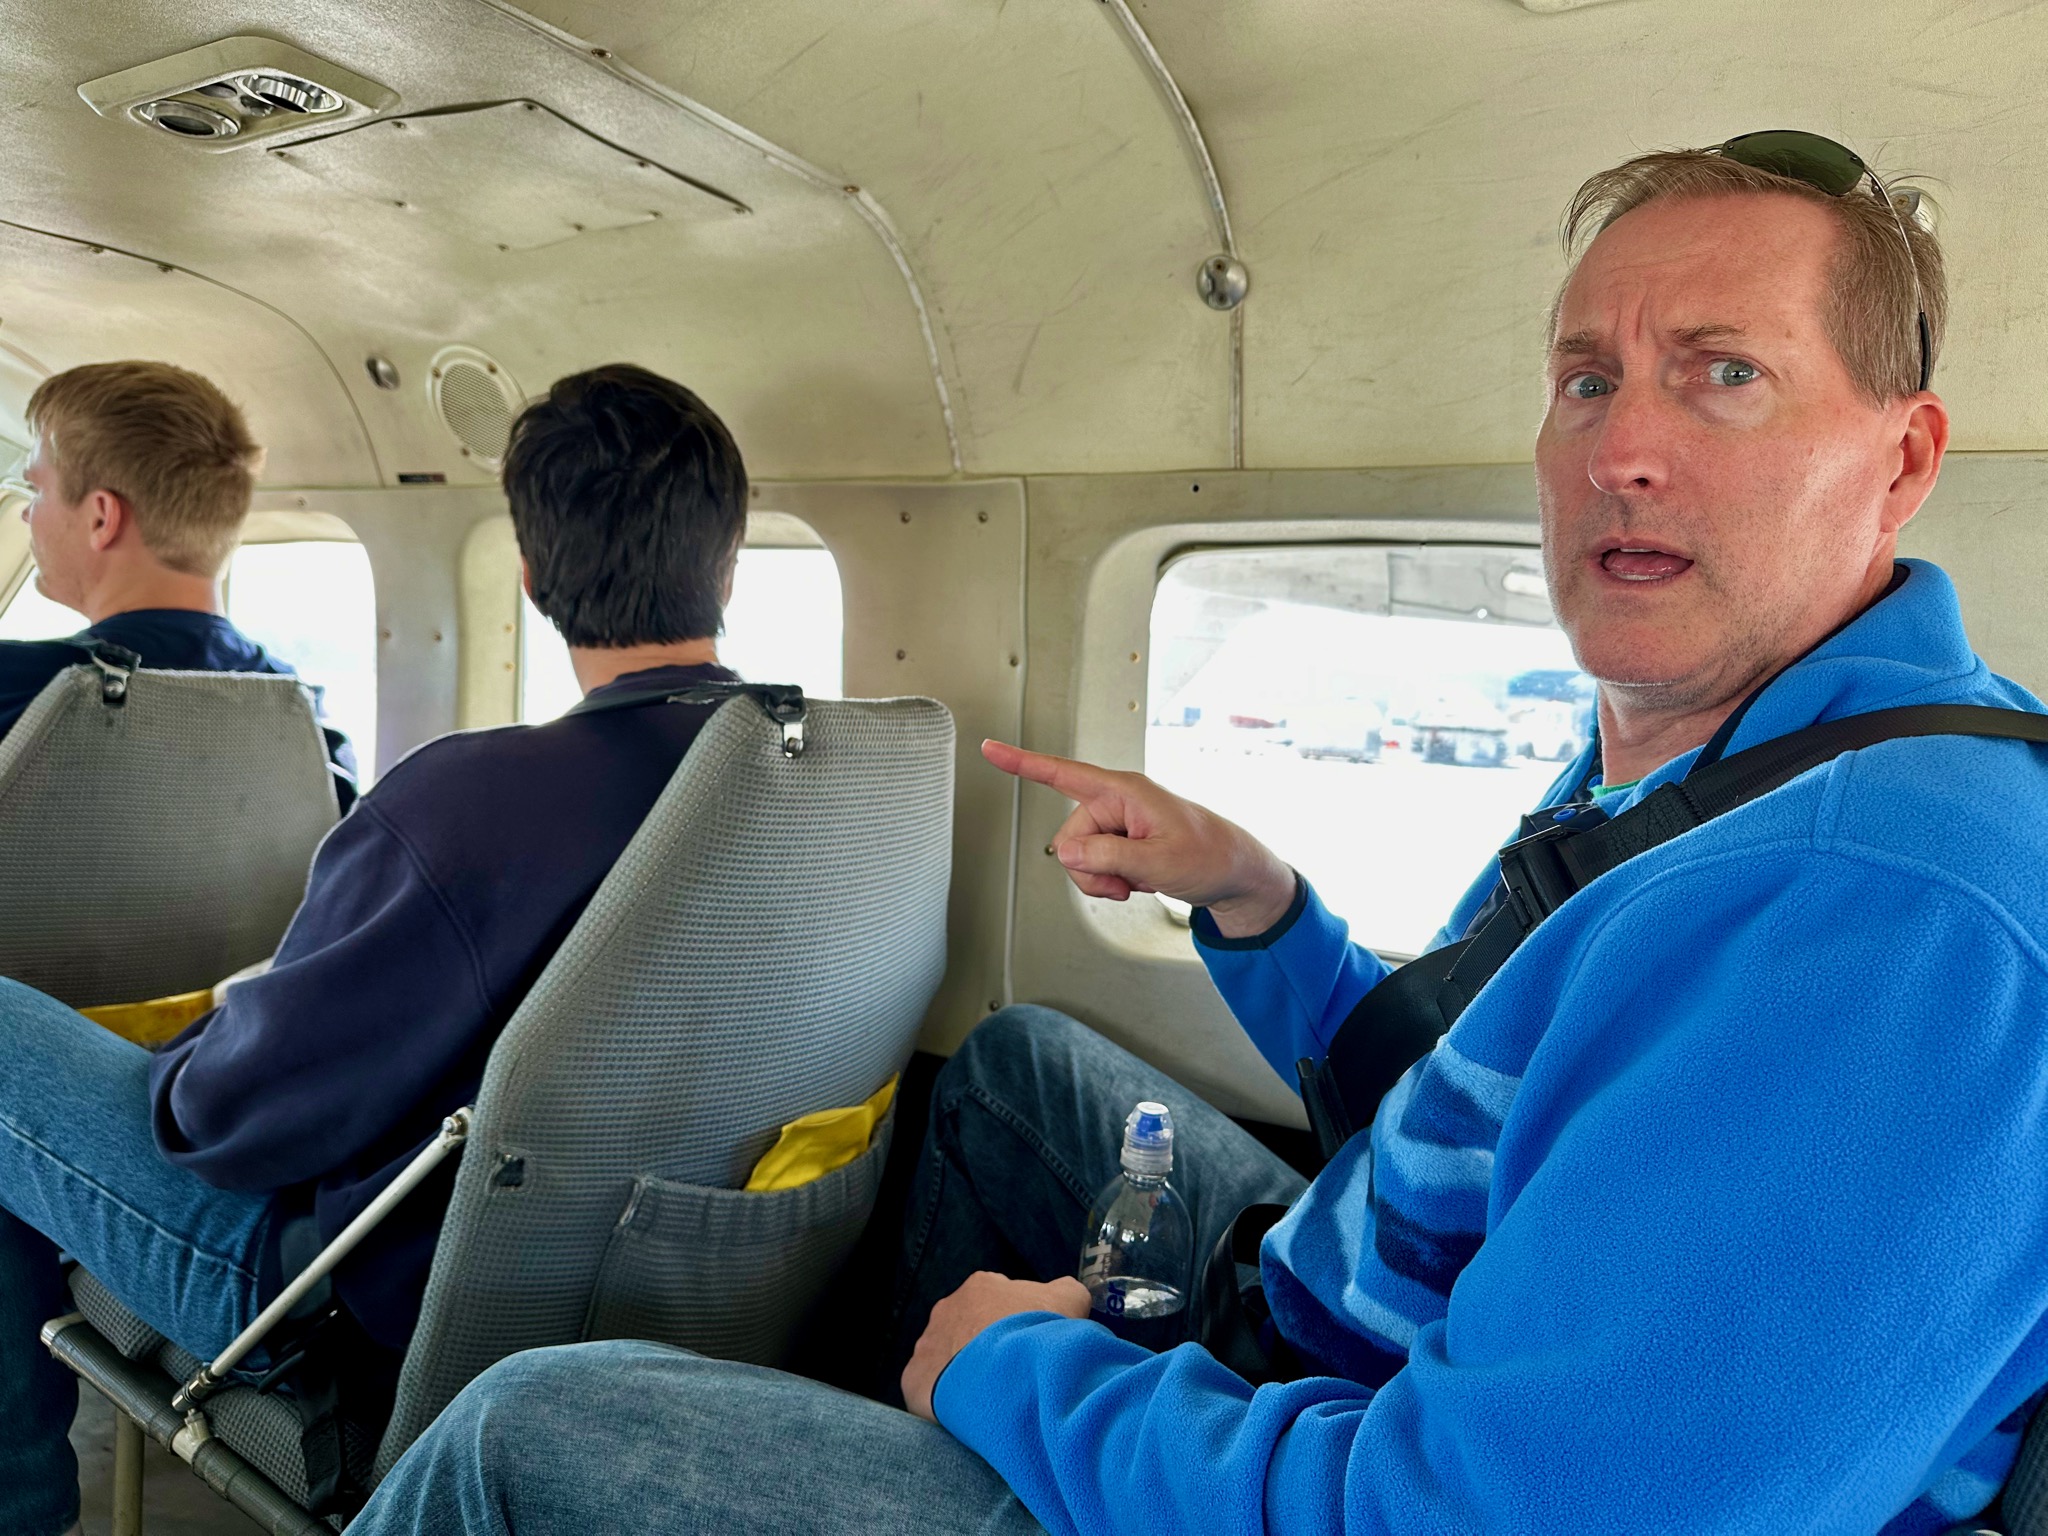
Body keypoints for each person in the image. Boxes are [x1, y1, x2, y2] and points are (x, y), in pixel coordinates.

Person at [351, 136, 2048, 1533]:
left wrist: (1026, 1380)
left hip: (1352, 1455)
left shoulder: (1886, 911)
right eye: (1584, 379)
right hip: (1345, 1322)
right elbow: (1459, 1098)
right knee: (1013, 1065)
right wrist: (1256, 901)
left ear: (1896, 462)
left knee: (527, 1438)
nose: (1622, 451)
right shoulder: (1707, 763)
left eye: (1721, 378)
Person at [0, 364, 752, 1535]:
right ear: (729, 559)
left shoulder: (476, 801)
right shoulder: (812, 790)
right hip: (657, 1269)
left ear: (530, 572)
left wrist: (197, 1045)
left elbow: (224, 1119)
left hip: (334, 1292)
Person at [1, 360, 357, 809]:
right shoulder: (306, 721)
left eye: (37, 490)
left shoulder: (17, 688)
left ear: (101, 518)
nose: (27, 513)